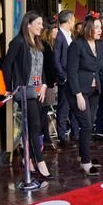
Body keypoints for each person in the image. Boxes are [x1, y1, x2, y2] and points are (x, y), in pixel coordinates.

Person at [2, 10, 53, 179]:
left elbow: (41, 68)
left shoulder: (38, 43)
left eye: (42, 24)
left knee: (34, 127)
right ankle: (40, 162)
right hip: (25, 91)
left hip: (39, 91)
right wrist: (10, 88)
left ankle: (27, 159)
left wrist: (45, 85)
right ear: (28, 25)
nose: (41, 27)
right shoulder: (18, 42)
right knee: (35, 126)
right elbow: (7, 65)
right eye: (38, 23)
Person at [66, 11, 103, 176]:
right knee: (85, 125)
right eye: (97, 27)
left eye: (101, 27)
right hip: (78, 92)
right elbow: (71, 72)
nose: (100, 30)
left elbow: (102, 70)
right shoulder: (77, 45)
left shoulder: (100, 45)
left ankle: (82, 156)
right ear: (88, 28)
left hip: (95, 91)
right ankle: (86, 162)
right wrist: (78, 94)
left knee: (90, 123)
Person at [53, 10, 79, 147]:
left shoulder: (70, 36)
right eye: (73, 20)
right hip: (65, 78)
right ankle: (62, 137)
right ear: (69, 21)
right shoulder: (59, 37)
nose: (74, 23)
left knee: (74, 106)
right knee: (64, 107)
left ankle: (76, 134)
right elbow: (56, 59)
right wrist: (63, 76)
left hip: (73, 77)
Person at [40, 15, 59, 150]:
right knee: (43, 110)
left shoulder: (50, 44)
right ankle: (45, 137)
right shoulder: (45, 45)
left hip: (48, 82)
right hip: (44, 83)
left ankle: (46, 137)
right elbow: (48, 66)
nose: (57, 31)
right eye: (55, 28)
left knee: (45, 110)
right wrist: (53, 80)